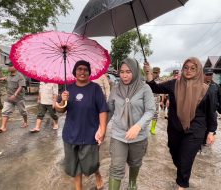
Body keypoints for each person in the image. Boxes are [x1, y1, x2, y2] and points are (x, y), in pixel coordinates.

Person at [144, 57, 217, 190]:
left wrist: (211, 132)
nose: (188, 71)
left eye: (193, 68)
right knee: (175, 154)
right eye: (186, 68)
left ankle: (181, 185)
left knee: (185, 159)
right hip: (175, 128)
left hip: (195, 131)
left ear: (198, 70)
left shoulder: (207, 90)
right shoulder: (174, 84)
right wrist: (148, 73)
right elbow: (154, 88)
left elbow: (211, 113)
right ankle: (183, 172)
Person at [55, 60, 108, 190]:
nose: (82, 72)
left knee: (91, 164)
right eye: (79, 69)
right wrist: (63, 101)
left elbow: (102, 110)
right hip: (70, 134)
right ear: (74, 72)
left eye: (85, 69)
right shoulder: (68, 89)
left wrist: (103, 130)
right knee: (75, 165)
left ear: (89, 72)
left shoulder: (95, 88)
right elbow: (60, 110)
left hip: (90, 134)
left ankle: (97, 174)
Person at [107, 58, 155, 190]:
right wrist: (100, 128)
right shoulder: (115, 89)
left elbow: (150, 110)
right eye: (122, 72)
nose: (124, 75)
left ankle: (132, 183)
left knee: (135, 163)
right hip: (118, 135)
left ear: (135, 71)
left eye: (128, 71)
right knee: (116, 167)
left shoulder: (145, 88)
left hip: (138, 136)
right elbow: (109, 111)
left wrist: (138, 126)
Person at [0, 62, 28, 133]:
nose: (8, 67)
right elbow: (6, 78)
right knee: (5, 111)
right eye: (8, 66)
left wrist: (15, 95)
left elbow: (21, 86)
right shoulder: (9, 75)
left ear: (15, 67)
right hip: (9, 97)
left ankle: (25, 122)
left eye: (10, 66)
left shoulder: (20, 76)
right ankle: (3, 127)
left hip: (18, 98)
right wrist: (0, 79)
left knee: (23, 111)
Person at [150, 67, 164, 135]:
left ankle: (152, 128)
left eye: (157, 72)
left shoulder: (160, 80)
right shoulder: (148, 79)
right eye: (154, 72)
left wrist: (162, 100)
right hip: (148, 99)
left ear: (159, 73)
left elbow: (163, 92)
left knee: (155, 114)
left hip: (156, 99)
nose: (155, 74)